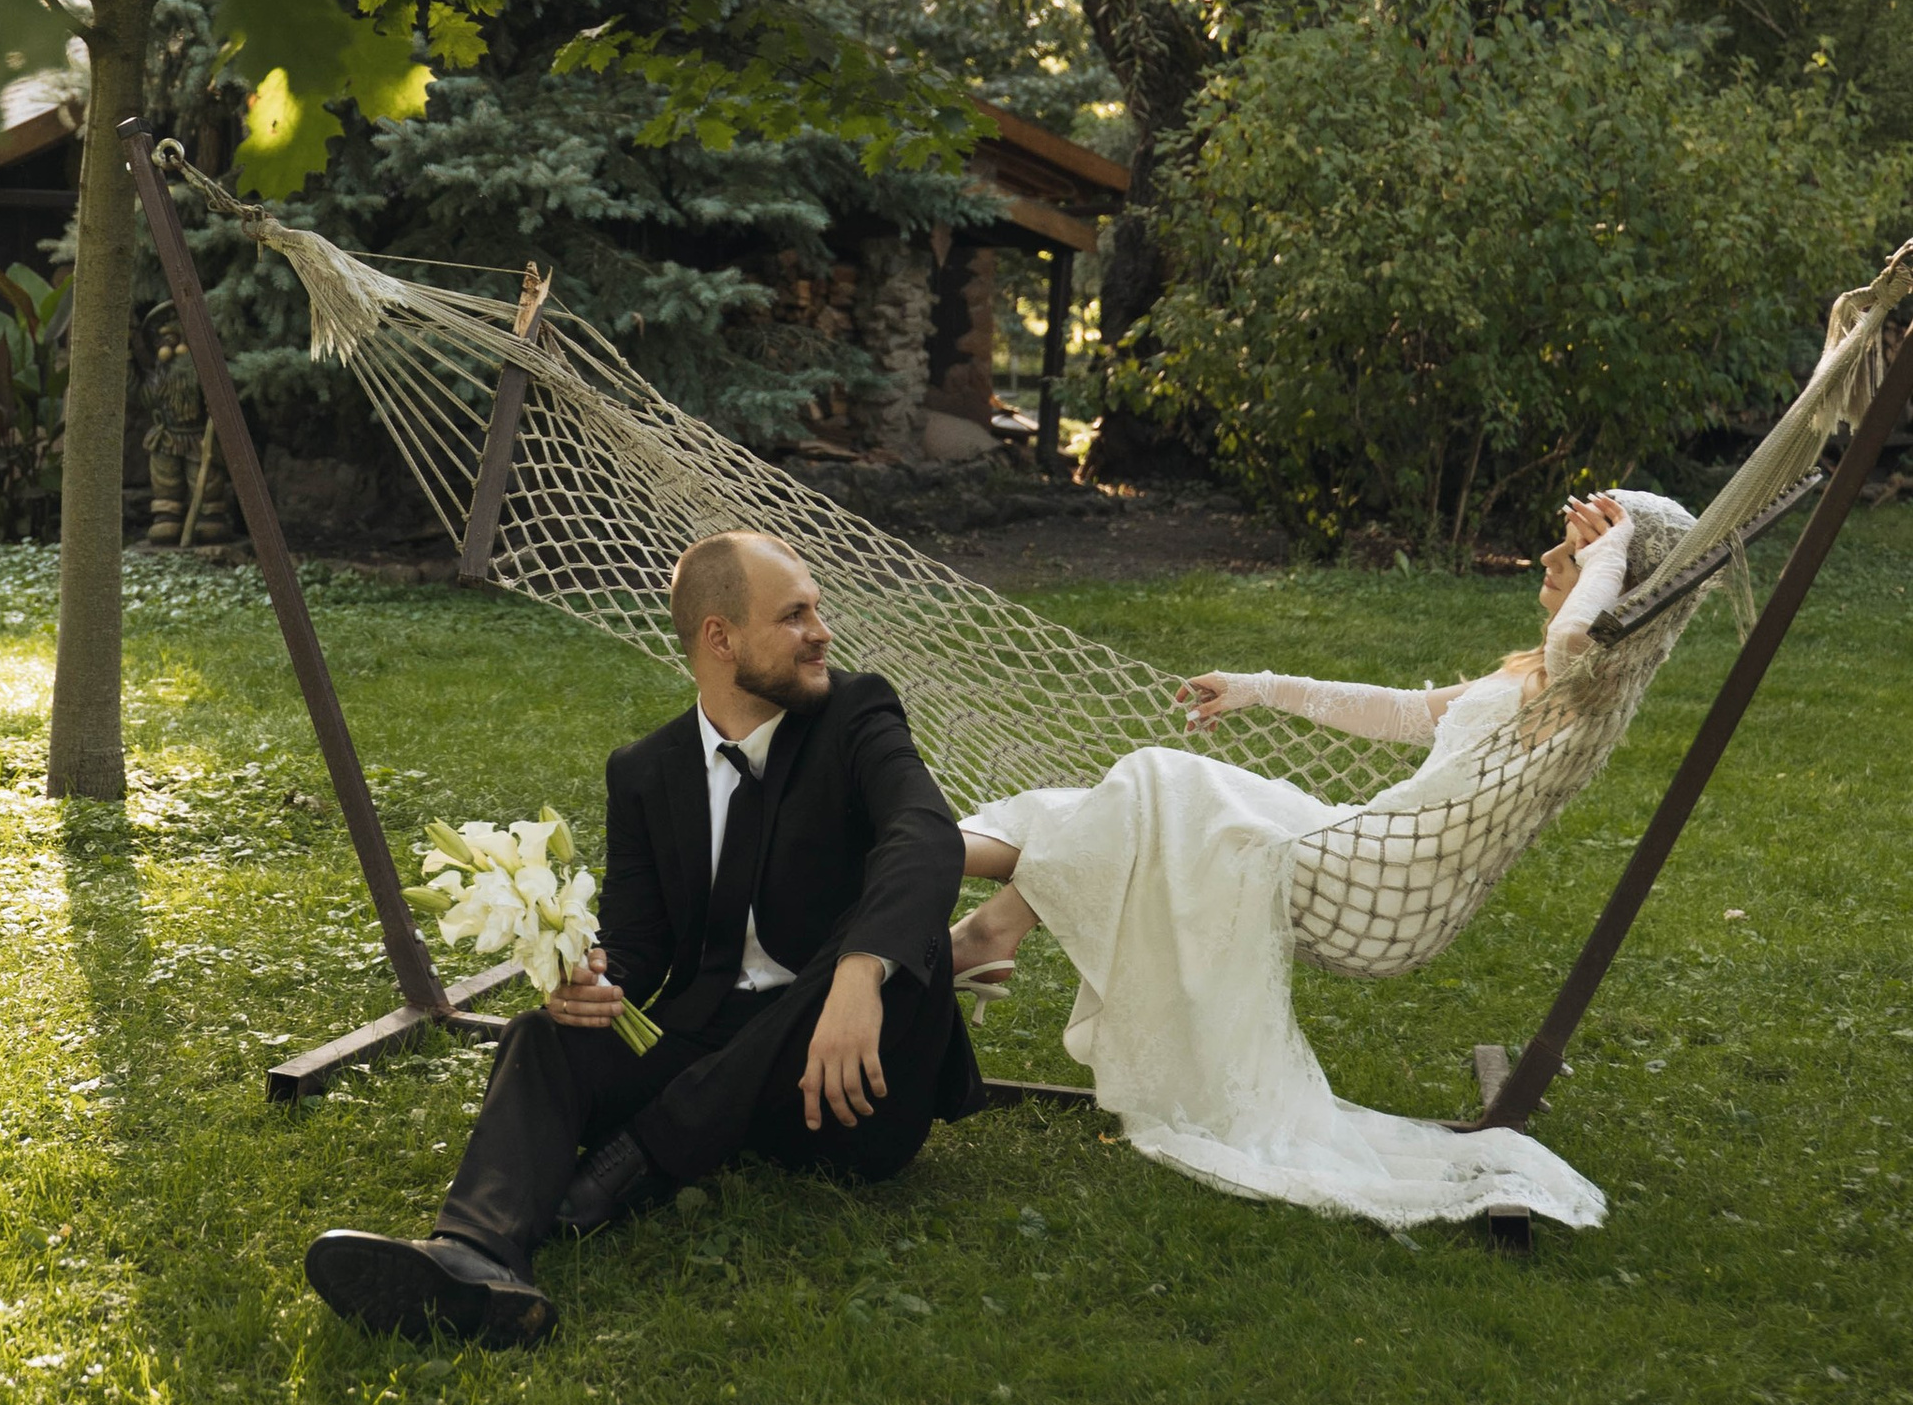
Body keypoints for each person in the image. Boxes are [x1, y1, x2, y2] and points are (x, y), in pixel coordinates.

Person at [942, 488, 1693, 1231]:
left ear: (1620, 591)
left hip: (1382, 883)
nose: (1552, 557)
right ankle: (954, 897)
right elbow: (1405, 711)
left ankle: (964, 915)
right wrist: (1259, 688)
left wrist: (1612, 551)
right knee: (1111, 810)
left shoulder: (1588, 682)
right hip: (1360, 842)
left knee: (1158, 782)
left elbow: (1577, 638)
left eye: (1577, 554)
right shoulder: (1533, 674)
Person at [305, 529, 985, 1348]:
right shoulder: (644, 771)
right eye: (794, 615)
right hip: (715, 1056)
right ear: (720, 638)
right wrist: (592, 975)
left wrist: (859, 976)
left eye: (816, 609)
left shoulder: (856, 713)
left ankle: (636, 1161)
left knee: (869, 931)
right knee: (541, 1035)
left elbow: (925, 832)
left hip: (846, 1083)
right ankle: (474, 1255)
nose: (821, 631)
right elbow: (639, 943)